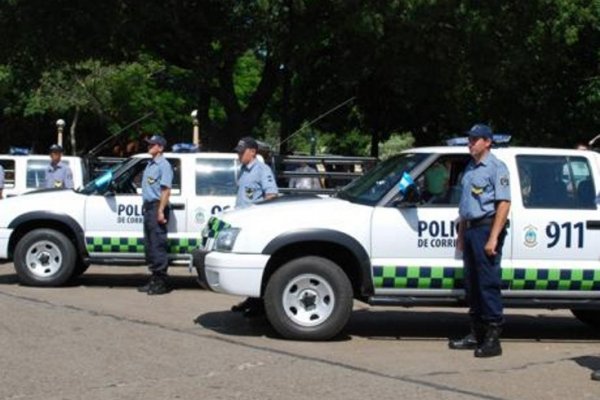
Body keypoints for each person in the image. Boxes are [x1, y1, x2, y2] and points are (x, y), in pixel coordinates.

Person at [449, 124, 511, 358]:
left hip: (487, 229)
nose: (470, 143)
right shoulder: (470, 168)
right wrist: (461, 234)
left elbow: (503, 204)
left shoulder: (497, 168)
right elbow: (466, 206)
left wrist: (493, 237)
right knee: (472, 284)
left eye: (475, 139)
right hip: (472, 230)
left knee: (487, 284)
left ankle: (493, 339)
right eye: (470, 139)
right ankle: (476, 333)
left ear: (488, 142)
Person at [231, 136, 279, 316]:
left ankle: (259, 305)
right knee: (246, 264)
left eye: (241, 152)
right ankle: (252, 300)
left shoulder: (262, 170)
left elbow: (271, 195)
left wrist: (261, 218)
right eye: (238, 152)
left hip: (255, 223)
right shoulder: (243, 170)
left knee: (256, 264)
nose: (239, 155)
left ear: (252, 152)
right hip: (243, 222)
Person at [137, 134, 174, 295]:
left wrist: (160, 210)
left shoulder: (163, 165)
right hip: (149, 208)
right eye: (149, 144)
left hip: (157, 207)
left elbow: (165, 190)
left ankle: (162, 282)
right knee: (150, 245)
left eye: (152, 144)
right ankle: (154, 279)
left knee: (158, 244)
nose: (149, 146)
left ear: (160, 147)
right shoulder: (150, 164)